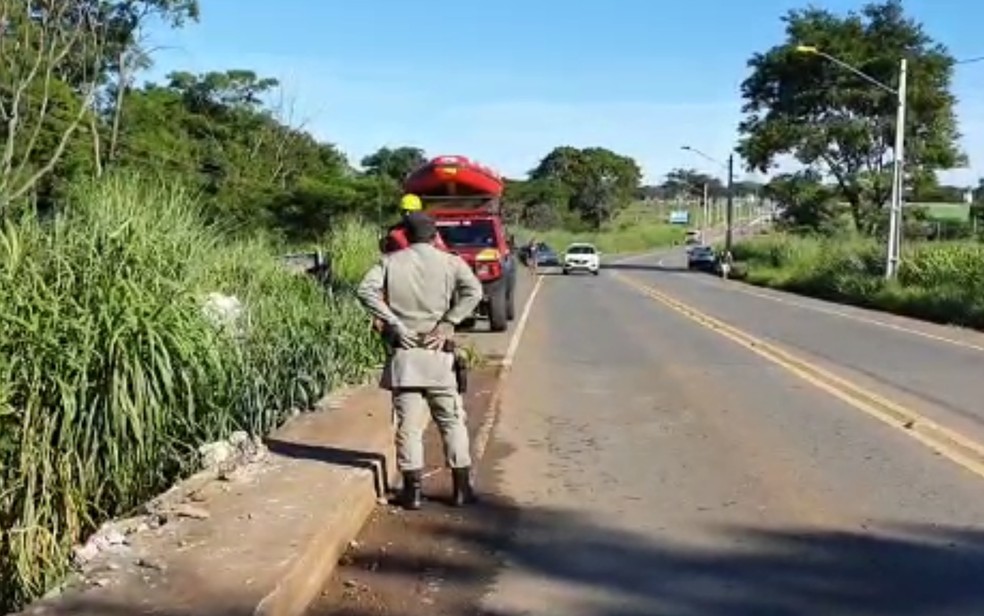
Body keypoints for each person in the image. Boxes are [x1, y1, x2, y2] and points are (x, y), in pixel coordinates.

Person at [357, 212, 483, 510]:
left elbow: (365, 291)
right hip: (438, 354)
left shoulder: (390, 262)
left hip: (406, 355)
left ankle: (412, 492)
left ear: (406, 235)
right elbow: (474, 291)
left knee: (408, 427)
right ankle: (461, 489)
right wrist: (449, 322)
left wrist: (395, 324)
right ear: (433, 235)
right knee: (452, 421)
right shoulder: (450, 262)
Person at [380, 193, 448, 253]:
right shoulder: (431, 229)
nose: (407, 214)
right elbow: (442, 248)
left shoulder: (395, 232)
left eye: (406, 211)